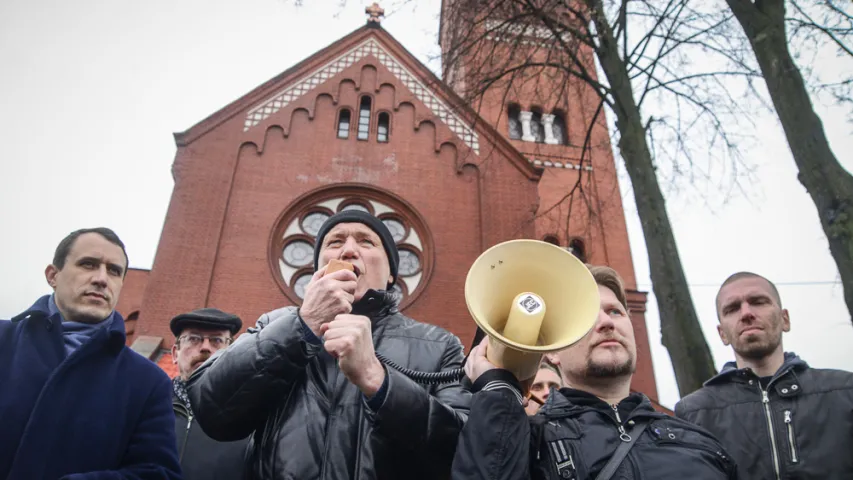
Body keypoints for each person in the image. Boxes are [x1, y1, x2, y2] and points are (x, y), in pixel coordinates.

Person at [188, 210, 471, 480]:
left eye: (366, 241)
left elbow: (466, 451)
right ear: (318, 268)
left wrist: (379, 381)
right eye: (335, 242)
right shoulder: (274, 324)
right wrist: (303, 323)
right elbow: (211, 405)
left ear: (390, 274)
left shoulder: (439, 344)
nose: (348, 250)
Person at [453, 265, 737, 480]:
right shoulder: (527, 441)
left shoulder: (701, 443)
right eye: (587, 316)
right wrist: (498, 392)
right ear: (552, 351)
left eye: (615, 312)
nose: (606, 323)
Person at [0, 227, 181, 480]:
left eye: (114, 271)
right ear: (53, 275)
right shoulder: (4, 341)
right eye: (88, 264)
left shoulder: (148, 382)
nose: (101, 279)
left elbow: (159, 474)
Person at [676, 271, 853, 479]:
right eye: (732, 308)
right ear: (722, 333)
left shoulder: (845, 392)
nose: (746, 313)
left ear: (784, 319)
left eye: (758, 302)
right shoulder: (693, 414)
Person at [170, 307, 250, 479]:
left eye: (217, 340)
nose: (205, 348)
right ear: (175, 353)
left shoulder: (249, 420)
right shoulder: (147, 407)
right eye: (193, 339)